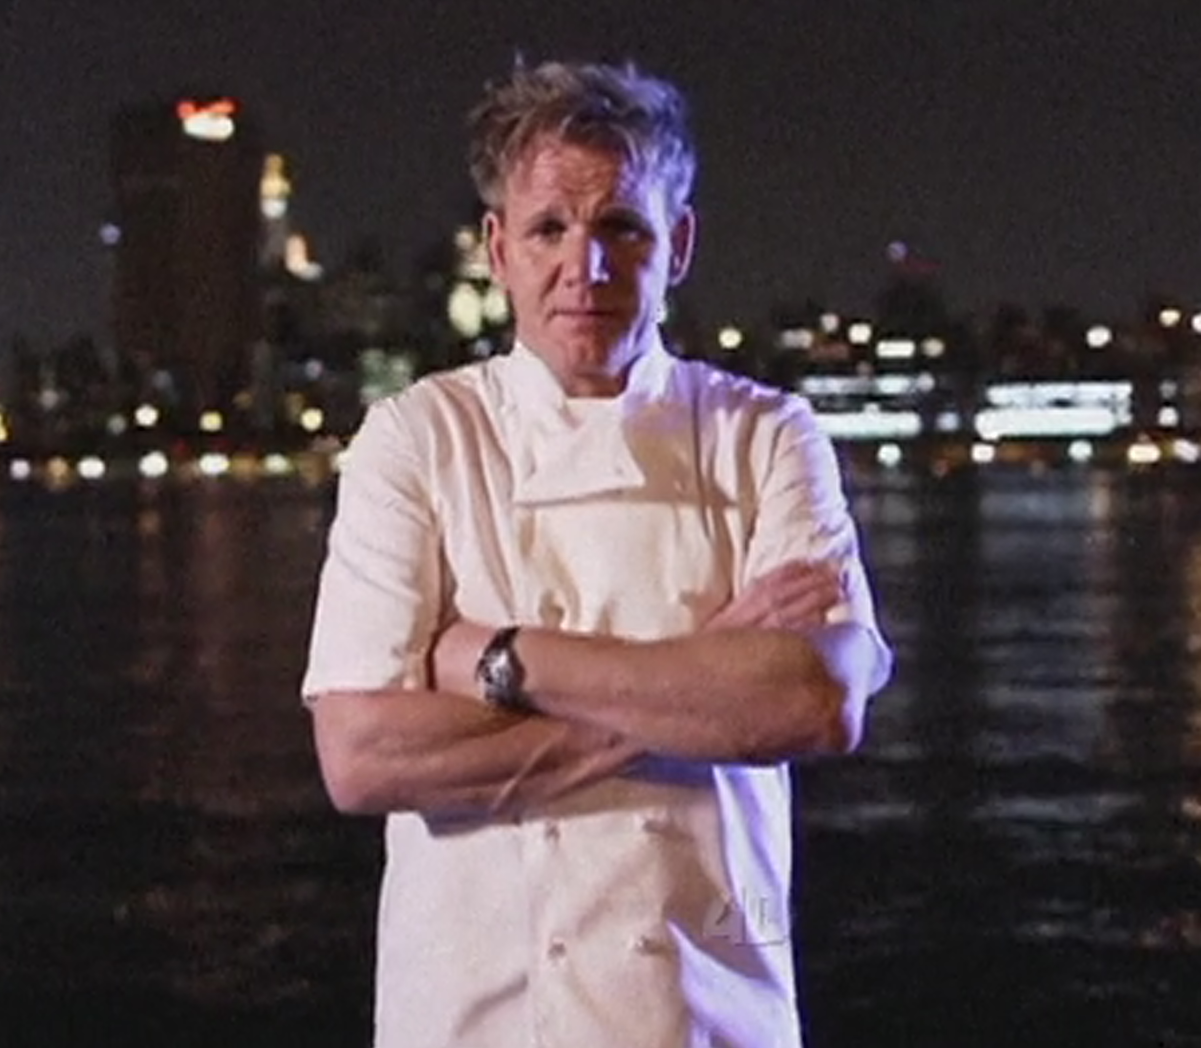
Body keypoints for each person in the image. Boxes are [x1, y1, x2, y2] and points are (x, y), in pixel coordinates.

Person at [303, 58, 892, 1048]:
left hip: (710, 1022)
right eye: (549, 229)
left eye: (622, 226)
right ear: (497, 250)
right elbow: (360, 758)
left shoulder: (763, 435)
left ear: (679, 244)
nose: (587, 266)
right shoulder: (417, 439)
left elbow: (815, 702)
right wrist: (703, 683)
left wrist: (502, 660)